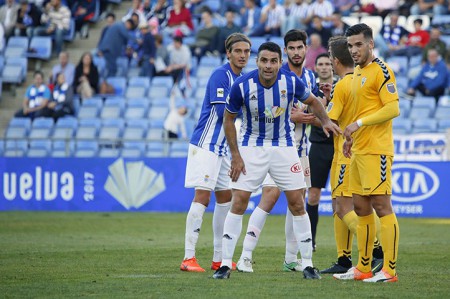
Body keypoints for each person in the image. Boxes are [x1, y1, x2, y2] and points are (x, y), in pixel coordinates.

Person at [212, 41, 341, 279]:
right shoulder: (242, 85)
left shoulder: (290, 81)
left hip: (284, 146)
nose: (269, 66)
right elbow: (228, 120)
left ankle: (308, 264)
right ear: (257, 61)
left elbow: (313, 101)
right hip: (252, 147)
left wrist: (325, 121)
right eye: (264, 60)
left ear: (279, 63)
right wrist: (236, 156)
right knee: (238, 202)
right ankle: (226, 264)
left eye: (273, 61)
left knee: (297, 203)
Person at [234, 29, 326, 275]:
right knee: (270, 197)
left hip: (301, 150)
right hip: (274, 148)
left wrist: (308, 116)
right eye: (292, 48)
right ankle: (245, 256)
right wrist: (300, 116)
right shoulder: (276, 75)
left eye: (300, 47)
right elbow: (272, 113)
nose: (296, 52)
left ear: (306, 49)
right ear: (285, 52)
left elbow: (318, 112)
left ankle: (290, 258)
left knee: (297, 202)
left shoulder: (308, 78)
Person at [333, 23, 400, 283]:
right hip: (358, 149)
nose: (354, 50)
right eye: (350, 46)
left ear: (371, 44)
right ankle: (362, 267)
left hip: (377, 150)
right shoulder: (359, 71)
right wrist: (351, 136)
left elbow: (392, 109)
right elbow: (361, 111)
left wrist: (358, 125)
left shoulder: (382, 71)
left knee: (382, 206)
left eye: (359, 44)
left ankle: (390, 270)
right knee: (360, 206)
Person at [180, 33, 251, 273]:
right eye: (238, 51)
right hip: (206, 145)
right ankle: (188, 257)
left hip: (223, 149)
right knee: (203, 196)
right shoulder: (221, 75)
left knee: (225, 199)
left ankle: (219, 258)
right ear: (228, 53)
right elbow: (224, 114)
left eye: (246, 52)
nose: (242, 55)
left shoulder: (242, 78)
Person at [321, 35, 384, 275]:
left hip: (346, 153)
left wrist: (305, 114)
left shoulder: (344, 84)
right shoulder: (354, 81)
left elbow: (330, 122)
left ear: (335, 60)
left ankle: (377, 251)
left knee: (345, 207)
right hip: (351, 151)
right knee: (342, 206)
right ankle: (344, 258)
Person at [306, 52, 334, 252]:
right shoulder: (310, 89)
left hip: (340, 145)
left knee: (341, 198)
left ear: (332, 67)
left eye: (327, 64)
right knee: (313, 195)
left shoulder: (341, 85)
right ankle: (311, 241)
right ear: (315, 67)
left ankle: (344, 246)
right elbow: (304, 113)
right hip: (317, 145)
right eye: (320, 64)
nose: (324, 67)